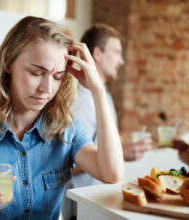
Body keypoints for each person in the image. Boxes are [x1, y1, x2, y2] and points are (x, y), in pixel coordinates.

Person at [0, 16, 124, 220]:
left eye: (57, 77)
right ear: (9, 63)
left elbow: (111, 174)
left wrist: (97, 89)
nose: (47, 89)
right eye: (37, 72)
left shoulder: (67, 131)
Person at [62, 23, 153, 220]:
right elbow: (65, 162)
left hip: (96, 203)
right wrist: (120, 153)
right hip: (82, 208)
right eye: (117, 52)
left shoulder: (101, 94)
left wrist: (118, 150)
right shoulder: (84, 101)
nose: (121, 61)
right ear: (97, 54)